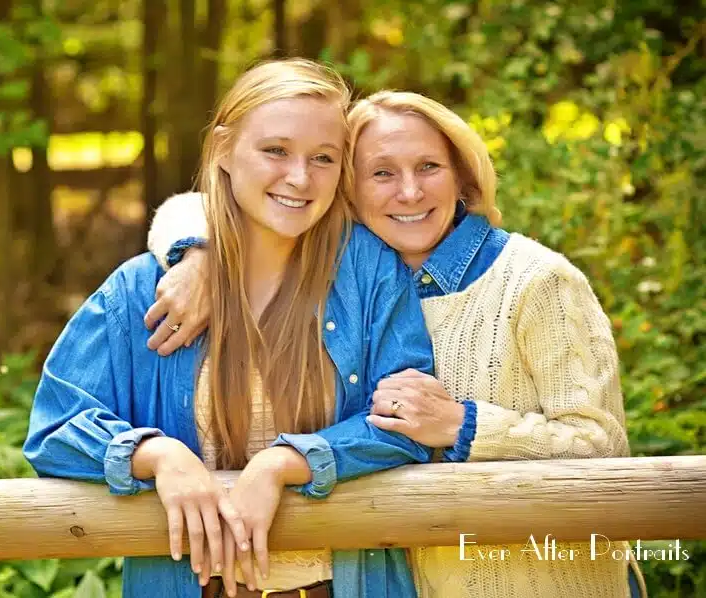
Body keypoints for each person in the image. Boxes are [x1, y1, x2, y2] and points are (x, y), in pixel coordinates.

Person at [144, 90, 645, 598]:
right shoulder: (349, 282)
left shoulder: (536, 281)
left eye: (428, 167)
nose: (409, 192)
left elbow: (602, 446)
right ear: (346, 190)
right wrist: (197, 253)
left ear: (462, 178)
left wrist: (462, 426)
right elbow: (220, 200)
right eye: (381, 173)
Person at [23, 59, 441, 598]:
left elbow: (405, 422)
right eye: (275, 150)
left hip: (343, 584)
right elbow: (54, 430)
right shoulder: (146, 287)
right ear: (223, 148)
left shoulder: (370, 272)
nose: (299, 177)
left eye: (323, 158)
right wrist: (160, 456)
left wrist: (283, 463)